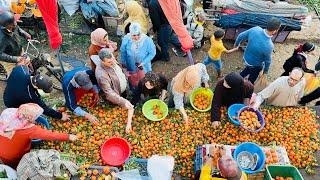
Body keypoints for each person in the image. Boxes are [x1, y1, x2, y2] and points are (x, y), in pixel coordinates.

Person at [0, 103, 78, 168]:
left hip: (1, 149)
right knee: (17, 167)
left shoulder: (8, 113)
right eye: (35, 117)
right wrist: (68, 136)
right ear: (29, 117)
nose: (35, 120)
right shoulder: (29, 130)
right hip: (13, 155)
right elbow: (50, 135)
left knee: (7, 163)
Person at [3, 65, 70, 121]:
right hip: (11, 103)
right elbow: (45, 109)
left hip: (8, 92)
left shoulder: (21, 69)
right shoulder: (31, 95)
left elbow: (19, 66)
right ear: (36, 86)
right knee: (25, 112)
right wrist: (60, 116)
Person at [94, 48, 134, 133]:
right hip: (115, 96)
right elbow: (109, 93)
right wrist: (122, 101)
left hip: (121, 90)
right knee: (119, 109)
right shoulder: (102, 75)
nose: (112, 62)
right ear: (102, 62)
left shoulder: (111, 60)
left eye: (112, 58)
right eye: (109, 62)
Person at [234, 17, 281, 84]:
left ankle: (239, 77)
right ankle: (248, 84)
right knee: (253, 76)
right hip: (255, 64)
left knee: (248, 69)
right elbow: (268, 61)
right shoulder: (269, 45)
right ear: (275, 31)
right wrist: (265, 72)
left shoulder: (256, 29)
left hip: (246, 57)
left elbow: (240, 36)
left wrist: (236, 45)